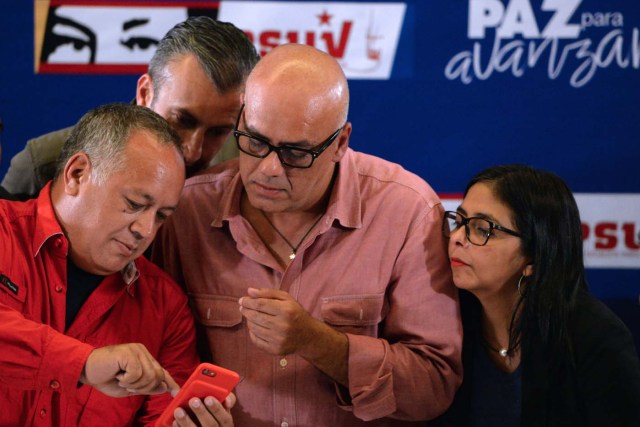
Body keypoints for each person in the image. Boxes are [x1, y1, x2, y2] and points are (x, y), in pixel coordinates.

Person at [153, 43, 462, 426]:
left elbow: (433, 387)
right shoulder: (186, 211)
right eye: (255, 141)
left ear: (341, 143)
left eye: (296, 154)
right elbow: (147, 367)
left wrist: (321, 344)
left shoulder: (407, 211)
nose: (267, 169)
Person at [0, 104, 234, 426]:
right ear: (77, 174)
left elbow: (160, 418)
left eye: (162, 216)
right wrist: (84, 363)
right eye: (135, 204)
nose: (146, 230)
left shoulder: (166, 309)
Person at [435, 164, 640, 426]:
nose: (457, 238)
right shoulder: (451, 319)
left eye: (483, 229)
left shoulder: (593, 336)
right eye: (459, 222)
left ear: (533, 256)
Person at [2, 15, 259, 199]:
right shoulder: (44, 165)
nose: (193, 152)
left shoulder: (247, 175)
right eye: (183, 120)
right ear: (146, 92)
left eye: (218, 132)